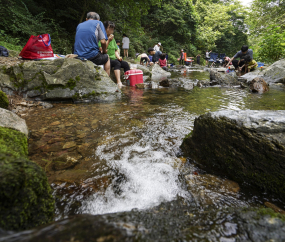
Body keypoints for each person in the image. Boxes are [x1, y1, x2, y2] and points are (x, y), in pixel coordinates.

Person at [74, 12, 110, 76]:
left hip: (77, 55)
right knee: (107, 58)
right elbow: (103, 42)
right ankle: (107, 82)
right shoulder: (99, 23)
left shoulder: (79, 25)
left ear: (86, 19)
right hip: (91, 56)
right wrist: (104, 51)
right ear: (98, 19)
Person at [99, 21, 130, 88]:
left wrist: (118, 57)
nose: (112, 30)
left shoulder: (112, 38)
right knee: (117, 63)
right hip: (106, 58)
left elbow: (116, 50)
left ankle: (128, 82)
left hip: (114, 58)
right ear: (105, 28)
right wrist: (108, 41)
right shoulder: (101, 37)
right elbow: (102, 50)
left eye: (113, 28)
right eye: (110, 28)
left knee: (125, 64)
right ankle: (119, 82)